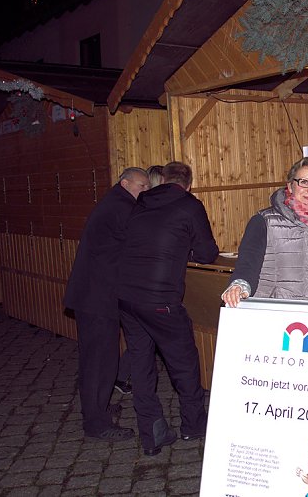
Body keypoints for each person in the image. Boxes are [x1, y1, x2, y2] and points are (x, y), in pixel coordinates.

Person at [117, 161, 219, 456]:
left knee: (141, 364)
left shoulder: (141, 202)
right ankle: (193, 425)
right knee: (184, 363)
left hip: (127, 296)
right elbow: (207, 252)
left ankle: (151, 432)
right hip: (160, 299)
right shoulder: (189, 205)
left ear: (161, 180)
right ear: (188, 183)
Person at [63, 167, 149, 441]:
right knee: (100, 362)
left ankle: (96, 408)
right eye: (142, 186)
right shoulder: (121, 206)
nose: (145, 191)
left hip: (93, 295)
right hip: (97, 297)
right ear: (125, 183)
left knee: (98, 359)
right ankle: (96, 423)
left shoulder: (115, 203)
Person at [221, 156, 308, 307]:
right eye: (304, 182)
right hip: (274, 311)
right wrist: (239, 285)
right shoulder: (263, 221)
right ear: (290, 186)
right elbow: (247, 264)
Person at [114, 163, 165, 395]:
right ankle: (127, 377)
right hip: (145, 285)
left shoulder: (142, 208)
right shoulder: (144, 209)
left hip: (137, 286)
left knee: (143, 337)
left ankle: (124, 376)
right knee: (145, 336)